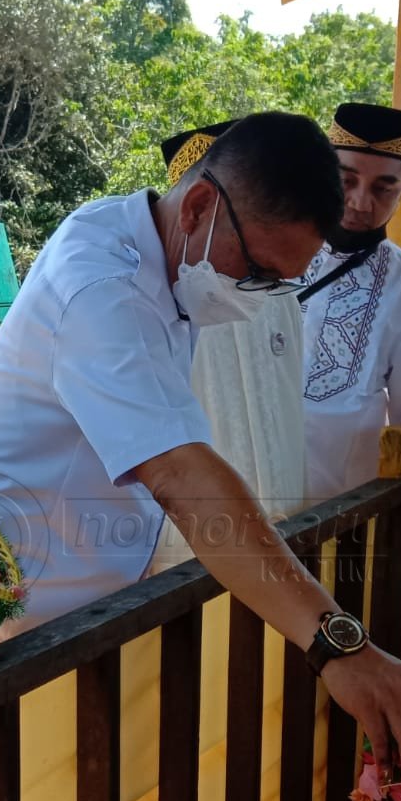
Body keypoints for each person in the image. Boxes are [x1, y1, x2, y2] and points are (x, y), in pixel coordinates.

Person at [0, 112, 401, 780]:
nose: (263, 296)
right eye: (261, 271)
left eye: (283, 283)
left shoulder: (146, 239)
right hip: (14, 614)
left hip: (84, 601)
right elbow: (183, 475)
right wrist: (337, 645)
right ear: (202, 205)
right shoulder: (105, 292)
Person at [148, 121, 307, 574]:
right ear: (195, 207)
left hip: (283, 512)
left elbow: (291, 401)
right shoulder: (161, 290)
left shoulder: (279, 293)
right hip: (196, 534)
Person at [298, 103, 401, 503]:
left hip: (334, 519)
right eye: (346, 181)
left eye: (384, 189)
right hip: (235, 501)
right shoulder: (264, 249)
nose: (361, 203)